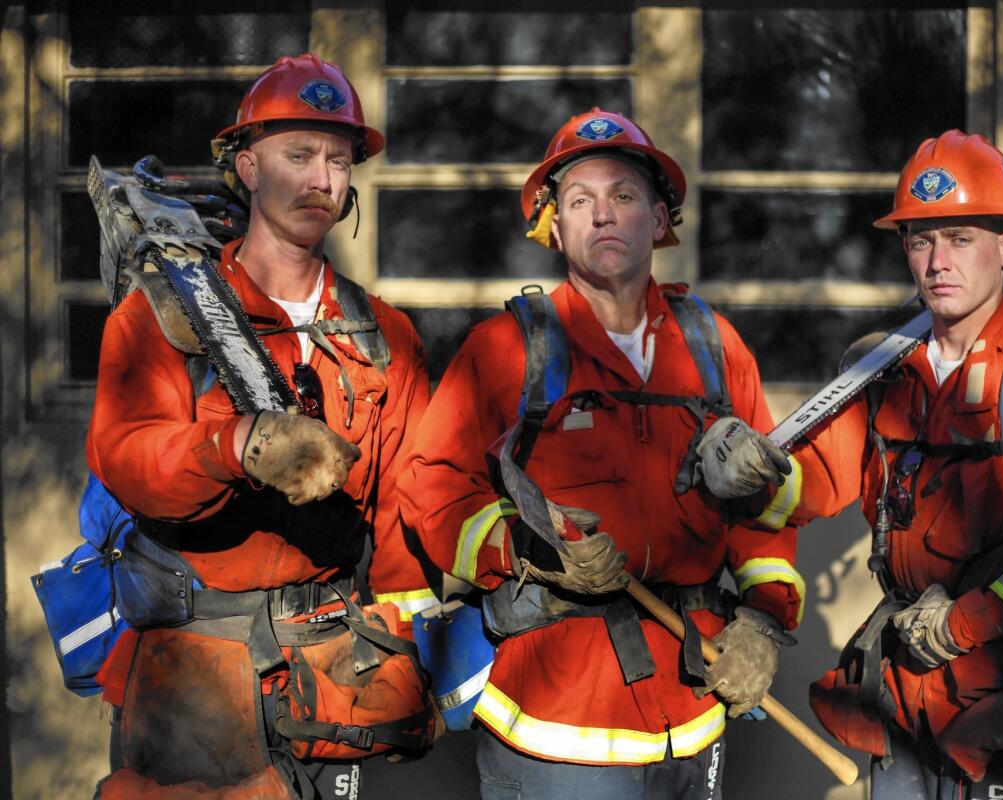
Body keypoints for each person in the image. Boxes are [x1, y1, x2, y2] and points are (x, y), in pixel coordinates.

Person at [698, 130, 1003, 798]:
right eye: (920, 240)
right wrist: (752, 475)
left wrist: (963, 625)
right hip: (902, 703)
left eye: (960, 238)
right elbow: (821, 482)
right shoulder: (886, 370)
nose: (937, 262)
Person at [397, 108, 805, 799]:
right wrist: (523, 549)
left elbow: (762, 514)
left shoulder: (713, 349)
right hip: (555, 723)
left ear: (659, 218)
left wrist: (764, 619)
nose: (603, 216)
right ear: (553, 227)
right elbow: (431, 489)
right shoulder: (505, 349)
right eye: (580, 201)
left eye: (622, 196)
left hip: (694, 709)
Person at [86, 53, 435, 798]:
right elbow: (126, 456)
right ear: (246, 167)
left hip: (335, 667)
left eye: (339, 161)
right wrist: (233, 446)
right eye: (298, 155)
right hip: (196, 676)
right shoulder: (170, 313)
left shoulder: (385, 335)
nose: (322, 179)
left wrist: (402, 650)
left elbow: (411, 509)